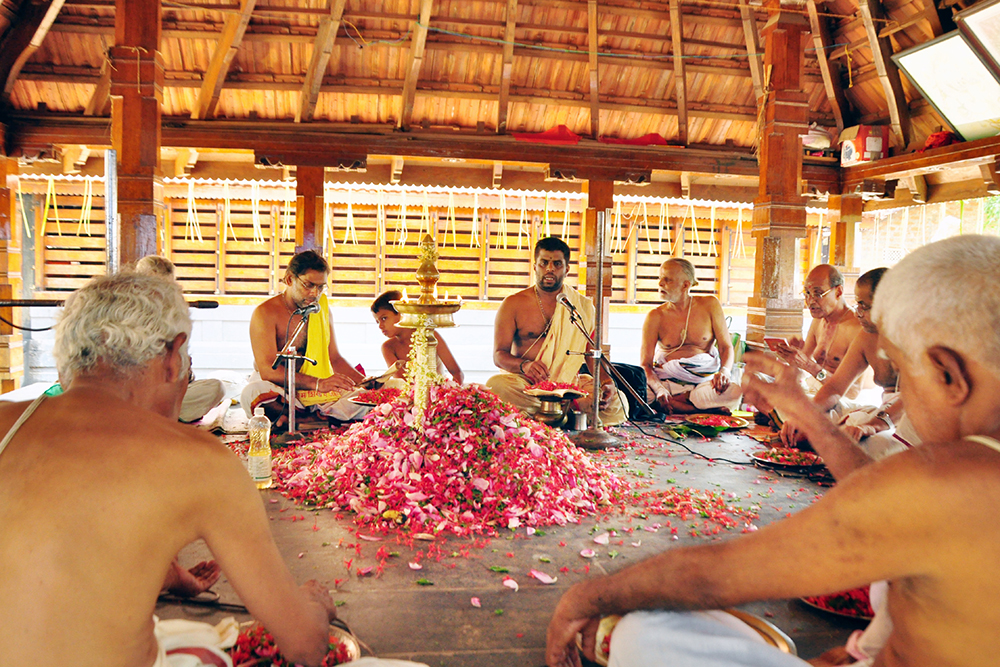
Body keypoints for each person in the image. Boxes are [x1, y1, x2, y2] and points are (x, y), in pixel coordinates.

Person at [546, 234, 1000, 667]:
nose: (901, 397)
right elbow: (884, 495)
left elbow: (716, 575)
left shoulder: (956, 482)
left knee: (640, 632)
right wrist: (806, 413)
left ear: (948, 376)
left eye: (901, 372)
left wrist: (580, 600)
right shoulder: (974, 464)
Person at [0, 273, 338, 667]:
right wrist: (314, 607)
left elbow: (55, 549)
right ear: (173, 355)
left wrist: (170, 576)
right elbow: (304, 645)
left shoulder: (7, 423)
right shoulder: (200, 461)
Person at [486, 236, 626, 426]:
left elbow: (592, 355)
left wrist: (606, 382)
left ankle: (548, 414)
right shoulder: (513, 304)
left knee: (619, 401)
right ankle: (570, 413)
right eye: (544, 263)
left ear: (567, 269)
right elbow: (499, 355)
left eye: (557, 264)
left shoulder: (581, 307)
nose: (550, 269)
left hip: (568, 386)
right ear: (535, 266)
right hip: (526, 384)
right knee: (497, 386)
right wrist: (525, 366)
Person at [780, 267, 918, 456]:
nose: (858, 312)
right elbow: (835, 387)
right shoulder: (866, 335)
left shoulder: (917, 338)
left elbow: (914, 400)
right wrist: (804, 416)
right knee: (805, 422)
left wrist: (872, 426)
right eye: (857, 304)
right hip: (881, 413)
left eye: (864, 306)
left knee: (865, 446)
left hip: (909, 419)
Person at [240, 250, 365, 426]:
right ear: (289, 280)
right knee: (251, 393)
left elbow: (334, 358)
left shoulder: (321, 309)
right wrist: (317, 383)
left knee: (368, 396)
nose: (315, 293)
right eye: (308, 285)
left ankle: (300, 419)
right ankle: (318, 418)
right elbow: (268, 370)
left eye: (321, 287)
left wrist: (365, 383)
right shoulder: (265, 313)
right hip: (281, 389)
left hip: (315, 391)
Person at [639, 258, 741, 413]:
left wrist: (724, 372)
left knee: (735, 391)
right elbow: (645, 365)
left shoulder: (709, 305)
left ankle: (682, 402)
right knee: (632, 392)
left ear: (685, 285)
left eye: (667, 279)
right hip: (667, 383)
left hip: (702, 383)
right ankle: (694, 407)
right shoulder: (655, 316)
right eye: (660, 278)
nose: (660, 284)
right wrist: (660, 389)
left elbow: (726, 347)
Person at [135, 254, 227, 424]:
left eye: (167, 288)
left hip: (168, 393)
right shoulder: (128, 313)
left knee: (216, 387)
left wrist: (184, 367)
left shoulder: (174, 315)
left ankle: (167, 414)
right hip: (137, 394)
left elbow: (183, 375)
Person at [772, 264, 863, 398]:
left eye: (818, 294)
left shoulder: (858, 328)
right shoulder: (819, 320)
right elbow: (801, 367)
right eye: (807, 294)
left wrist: (810, 366)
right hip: (815, 393)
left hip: (841, 400)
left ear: (838, 292)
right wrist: (793, 356)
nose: (810, 301)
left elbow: (853, 392)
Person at [371, 290, 464, 383]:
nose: (380, 326)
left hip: (437, 389)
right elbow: (401, 382)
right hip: (409, 391)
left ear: (401, 312)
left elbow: (457, 373)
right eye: (377, 322)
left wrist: (453, 389)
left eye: (384, 318)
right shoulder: (388, 347)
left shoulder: (429, 335)